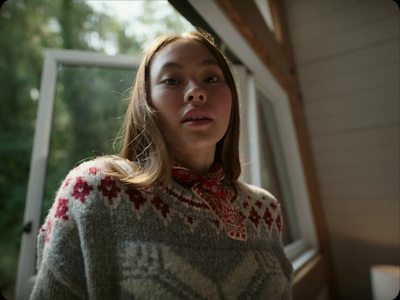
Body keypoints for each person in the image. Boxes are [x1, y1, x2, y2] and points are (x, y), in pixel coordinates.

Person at [30, 30, 293, 300]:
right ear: (146, 104)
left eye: (211, 78)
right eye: (171, 80)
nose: (196, 93)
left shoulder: (265, 209)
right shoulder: (93, 191)